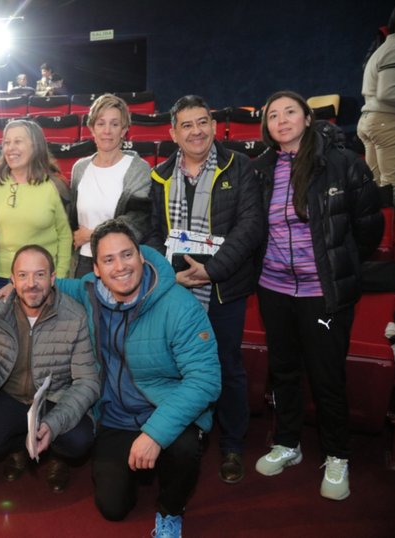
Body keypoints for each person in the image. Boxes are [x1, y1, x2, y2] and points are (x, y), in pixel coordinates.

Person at [0, 219, 220, 536]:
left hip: (165, 410)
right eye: (108, 260)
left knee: (183, 449)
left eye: (127, 255)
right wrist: (13, 286)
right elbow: (48, 285)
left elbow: (205, 381)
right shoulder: (88, 292)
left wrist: (154, 434)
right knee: (113, 508)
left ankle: (170, 510)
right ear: (96, 269)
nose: (120, 267)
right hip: (116, 417)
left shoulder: (179, 306)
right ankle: (137, 470)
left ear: (141, 256)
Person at [253, 91, 382, 501]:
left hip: (321, 291)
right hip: (274, 288)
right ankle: (288, 443)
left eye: (290, 111)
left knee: (327, 376)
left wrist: (335, 266)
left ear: (308, 118)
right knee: (285, 369)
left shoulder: (342, 164)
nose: (282, 119)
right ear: (267, 127)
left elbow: (367, 228)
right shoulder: (261, 169)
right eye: (273, 115)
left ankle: (338, 454)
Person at [147, 95, 264, 485]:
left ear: (214, 126)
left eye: (202, 122)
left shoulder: (239, 167)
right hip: (175, 290)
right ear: (173, 132)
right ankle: (188, 434)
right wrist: (168, 276)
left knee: (226, 366)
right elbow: (153, 233)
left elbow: (249, 228)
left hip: (223, 289)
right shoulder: (160, 175)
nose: (195, 131)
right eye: (187, 125)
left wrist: (212, 271)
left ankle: (232, 445)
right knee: (180, 367)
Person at [0, 245, 98, 493]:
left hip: (55, 397)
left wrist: (53, 424)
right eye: (23, 275)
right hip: (10, 395)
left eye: (40, 275)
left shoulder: (74, 316)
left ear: (53, 278)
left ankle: (59, 457)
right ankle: (19, 448)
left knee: (80, 440)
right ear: (12, 280)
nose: (31, 283)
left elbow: (87, 382)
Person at [0, 119, 71, 296]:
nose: (10, 148)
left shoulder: (55, 185)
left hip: (40, 277)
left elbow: (65, 236)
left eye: (18, 141)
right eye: (6, 143)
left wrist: (59, 278)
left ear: (35, 146)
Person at [69, 93, 151, 277]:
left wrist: (90, 235)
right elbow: (72, 220)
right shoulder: (80, 168)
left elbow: (137, 221)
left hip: (119, 265)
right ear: (92, 128)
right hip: (82, 262)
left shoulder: (138, 168)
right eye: (101, 123)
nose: (107, 131)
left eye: (114, 124)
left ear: (123, 130)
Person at [357, 4, 395, 188]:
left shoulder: (384, 48)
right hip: (386, 123)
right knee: (394, 187)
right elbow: (388, 93)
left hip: (371, 121)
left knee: (376, 188)